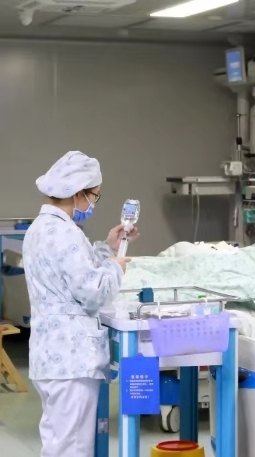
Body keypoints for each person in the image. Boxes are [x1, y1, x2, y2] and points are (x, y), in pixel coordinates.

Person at [23, 151, 140, 457]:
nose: (92, 204)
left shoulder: (40, 229)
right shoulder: (65, 234)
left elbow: (73, 273)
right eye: (94, 196)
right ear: (77, 193)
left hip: (51, 355)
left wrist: (108, 248)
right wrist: (116, 267)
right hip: (71, 359)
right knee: (72, 448)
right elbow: (94, 291)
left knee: (59, 444)